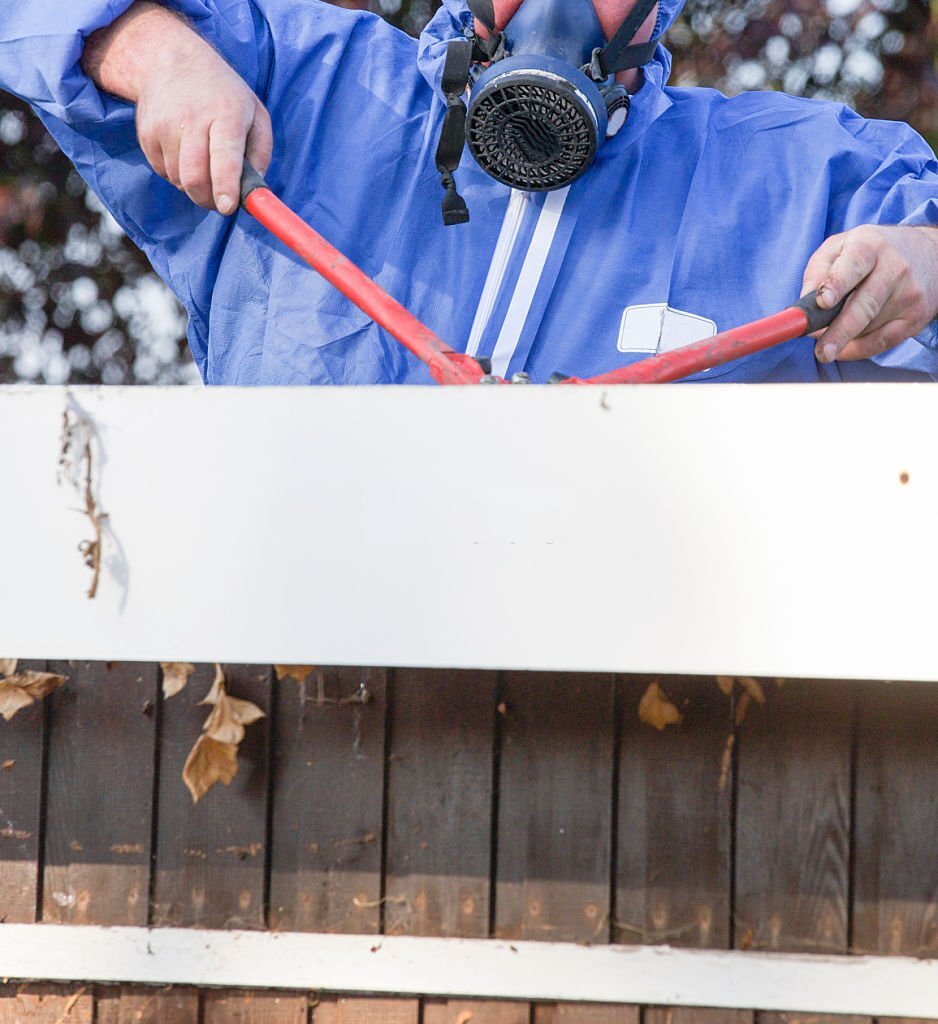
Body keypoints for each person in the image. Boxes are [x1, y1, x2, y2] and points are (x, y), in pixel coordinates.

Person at [1, 0, 936, 384]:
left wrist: (923, 261)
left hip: (623, 752)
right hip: (285, 716)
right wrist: (159, 57)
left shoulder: (796, 177)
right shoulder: (305, 86)